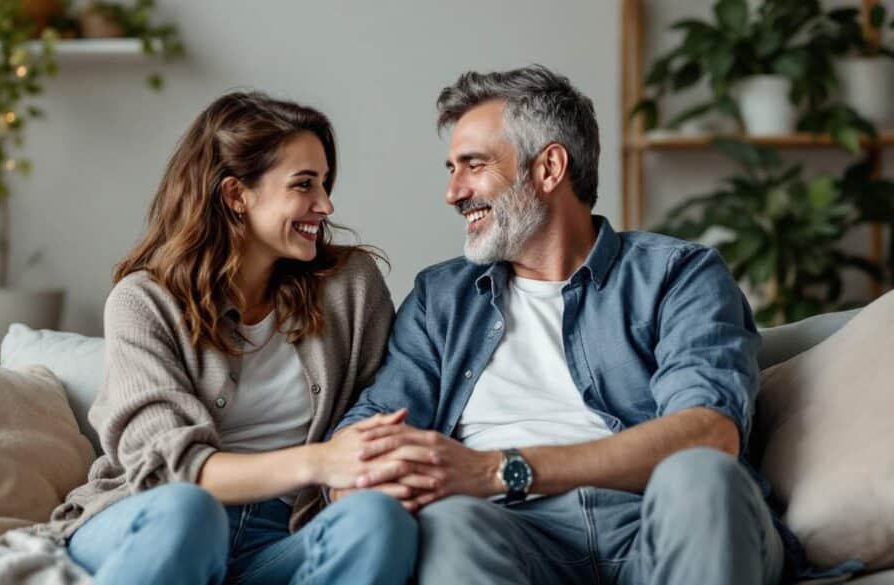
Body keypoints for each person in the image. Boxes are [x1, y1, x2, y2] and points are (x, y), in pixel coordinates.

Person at [329, 65, 789, 585]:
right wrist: (362, 476)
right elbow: (370, 431)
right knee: (448, 522)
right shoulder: (442, 300)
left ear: (549, 168)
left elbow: (708, 433)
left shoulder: (676, 275)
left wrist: (494, 469)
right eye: (451, 169)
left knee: (700, 475)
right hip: (508, 533)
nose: (453, 192)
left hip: (658, 524)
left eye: (473, 165)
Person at [46, 92, 417, 585]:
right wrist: (321, 461)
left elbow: (372, 411)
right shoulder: (143, 302)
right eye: (304, 185)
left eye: (325, 183)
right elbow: (172, 471)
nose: (325, 205)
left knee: (378, 521)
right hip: (151, 519)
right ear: (235, 195)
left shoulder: (350, 286)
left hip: (283, 535)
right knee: (189, 510)